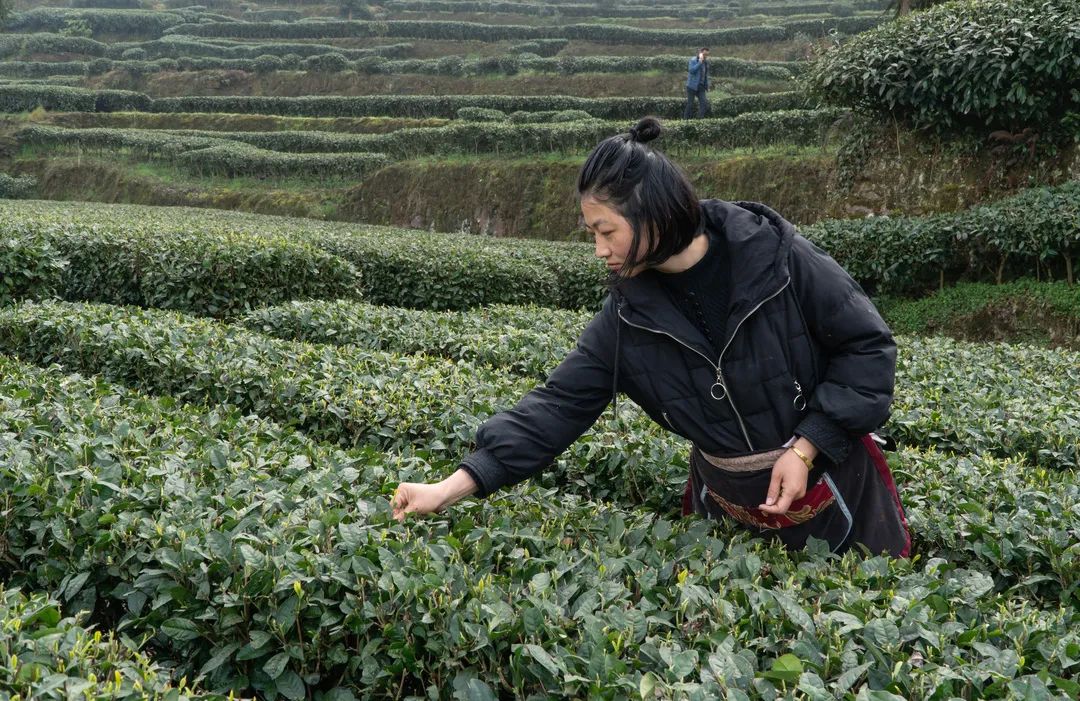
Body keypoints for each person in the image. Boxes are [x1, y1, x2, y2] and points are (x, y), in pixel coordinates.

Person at [392, 116, 910, 557]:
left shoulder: (775, 255)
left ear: (650, 213)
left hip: (835, 496)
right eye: (591, 234)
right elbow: (557, 406)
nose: (599, 250)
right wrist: (449, 488)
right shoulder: (627, 314)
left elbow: (867, 345)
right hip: (729, 513)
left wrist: (806, 447)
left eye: (605, 231)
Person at [683, 47, 710, 119]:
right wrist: (699, 62)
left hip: (701, 87)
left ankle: (699, 120)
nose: (705, 56)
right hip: (692, 86)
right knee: (690, 104)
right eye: (704, 54)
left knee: (704, 103)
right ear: (700, 53)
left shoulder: (706, 62)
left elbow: (705, 75)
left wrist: (706, 85)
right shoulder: (693, 60)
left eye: (707, 55)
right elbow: (691, 71)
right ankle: (685, 120)